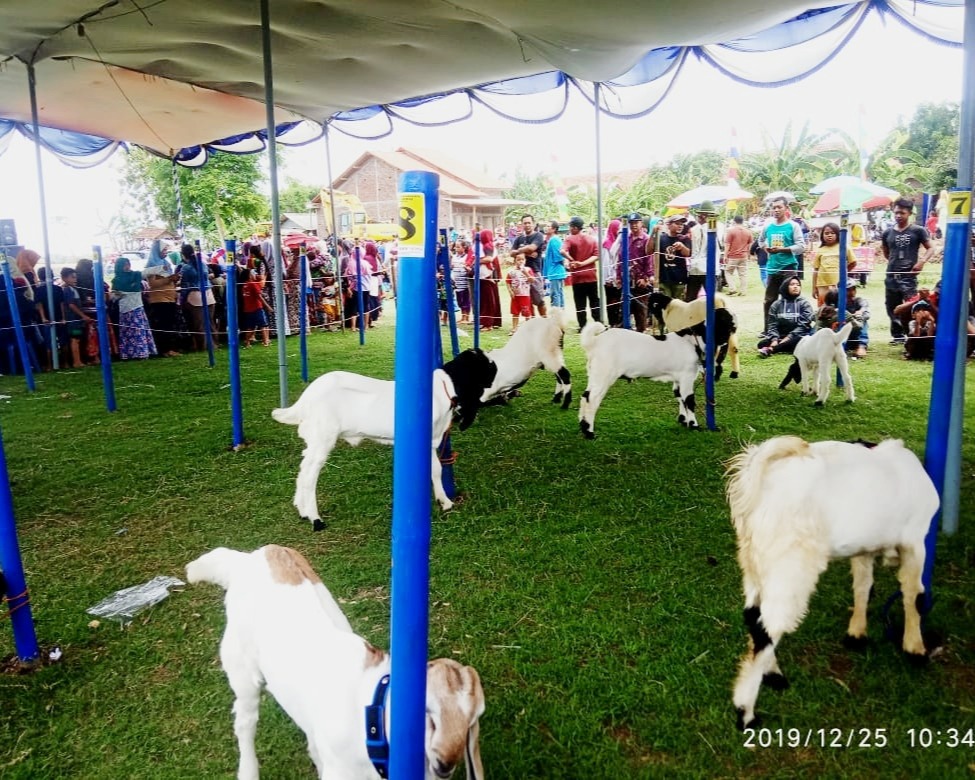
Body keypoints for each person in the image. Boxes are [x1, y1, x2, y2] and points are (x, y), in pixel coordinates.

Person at [882, 197, 934, 345]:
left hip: (909, 276)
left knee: (911, 305)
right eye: (896, 212)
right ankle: (897, 336)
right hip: (891, 275)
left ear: (909, 213)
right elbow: (886, 252)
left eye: (902, 213)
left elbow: (931, 247)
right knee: (891, 306)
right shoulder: (887, 233)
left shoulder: (918, 230)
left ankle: (913, 332)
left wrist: (921, 262)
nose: (898, 216)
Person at [760, 196, 806, 325]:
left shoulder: (793, 226)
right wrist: (766, 249)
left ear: (786, 208)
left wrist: (782, 249)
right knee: (769, 300)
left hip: (789, 267)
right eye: (774, 207)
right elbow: (761, 240)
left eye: (779, 207)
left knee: (790, 297)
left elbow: (801, 246)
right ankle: (768, 329)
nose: (776, 210)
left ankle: (792, 326)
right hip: (772, 267)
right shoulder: (768, 227)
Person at [111, 257, 156, 360]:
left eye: (128, 264)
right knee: (127, 332)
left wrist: (162, 268)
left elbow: (147, 272)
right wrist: (118, 294)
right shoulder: (116, 280)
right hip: (124, 309)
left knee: (138, 331)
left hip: (137, 307)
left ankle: (142, 353)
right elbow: (113, 297)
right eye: (124, 265)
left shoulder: (135, 275)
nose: (127, 267)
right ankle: (128, 354)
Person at [757, 275, 814, 357]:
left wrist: (788, 338)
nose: (795, 287)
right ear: (785, 287)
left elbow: (803, 326)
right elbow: (772, 325)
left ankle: (772, 349)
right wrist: (774, 339)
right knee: (761, 344)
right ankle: (780, 346)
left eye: (798, 285)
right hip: (780, 336)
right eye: (792, 284)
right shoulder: (776, 304)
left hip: (798, 336)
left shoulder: (804, 303)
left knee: (800, 341)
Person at [143, 240, 181, 357]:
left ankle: (171, 348)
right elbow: (153, 284)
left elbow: (170, 279)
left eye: (166, 250)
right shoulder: (152, 266)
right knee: (164, 325)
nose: (166, 252)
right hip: (159, 300)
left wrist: (175, 279)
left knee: (171, 323)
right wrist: (169, 279)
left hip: (170, 298)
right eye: (163, 250)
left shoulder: (166, 263)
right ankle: (165, 350)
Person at [562, 215, 600, 330]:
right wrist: (583, 263)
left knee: (580, 303)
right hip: (591, 275)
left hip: (577, 277)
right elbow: (596, 256)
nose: (569, 229)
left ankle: (582, 325)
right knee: (594, 301)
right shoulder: (591, 239)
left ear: (574, 227)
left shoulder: (570, 238)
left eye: (570, 226)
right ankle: (598, 322)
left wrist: (572, 260)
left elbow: (562, 251)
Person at [617, 212, 653, 331]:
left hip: (640, 280)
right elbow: (620, 258)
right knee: (624, 309)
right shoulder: (625, 239)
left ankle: (641, 335)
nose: (634, 225)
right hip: (627, 279)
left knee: (640, 312)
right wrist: (618, 276)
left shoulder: (646, 239)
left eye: (636, 223)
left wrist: (646, 278)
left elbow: (649, 259)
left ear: (641, 223)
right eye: (631, 223)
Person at [180, 243, 217, 352]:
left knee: (199, 324)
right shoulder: (203, 264)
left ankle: (202, 346)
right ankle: (214, 344)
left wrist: (183, 298)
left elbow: (185, 285)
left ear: (183, 254)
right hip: (209, 295)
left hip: (195, 296)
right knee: (211, 322)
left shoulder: (185, 268)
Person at [820, 278, 871, 358]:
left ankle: (861, 346)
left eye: (853, 288)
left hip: (854, 332)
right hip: (838, 334)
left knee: (863, 321)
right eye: (848, 290)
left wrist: (859, 314)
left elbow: (866, 313)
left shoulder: (859, 301)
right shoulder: (833, 301)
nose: (852, 292)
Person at [509, 214, 547, 317]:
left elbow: (532, 248)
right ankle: (531, 324)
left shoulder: (538, 235)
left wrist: (520, 251)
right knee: (527, 301)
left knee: (539, 300)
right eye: (525, 223)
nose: (527, 225)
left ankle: (545, 321)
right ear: (522, 225)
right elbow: (511, 253)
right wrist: (527, 252)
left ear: (533, 224)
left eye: (529, 223)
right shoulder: (519, 238)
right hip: (520, 274)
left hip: (534, 272)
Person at [811, 222, 857, 303]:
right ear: (822, 235)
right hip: (822, 284)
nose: (829, 235)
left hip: (838, 284)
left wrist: (844, 272)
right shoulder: (820, 250)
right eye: (826, 233)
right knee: (824, 307)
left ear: (838, 234)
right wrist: (814, 287)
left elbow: (853, 262)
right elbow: (815, 270)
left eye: (833, 233)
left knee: (838, 305)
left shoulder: (844, 247)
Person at [685, 201, 723, 302]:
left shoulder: (716, 227)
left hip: (708, 269)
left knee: (709, 300)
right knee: (693, 299)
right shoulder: (694, 229)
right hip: (697, 268)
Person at [59, 267, 93, 368]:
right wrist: (83, 316)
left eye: (75, 277)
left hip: (77, 320)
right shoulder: (67, 290)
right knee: (75, 339)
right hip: (73, 320)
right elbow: (71, 305)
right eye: (72, 277)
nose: (75, 279)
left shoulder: (73, 289)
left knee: (77, 338)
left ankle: (79, 360)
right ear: (64, 278)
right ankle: (76, 362)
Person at [655, 214, 690, 301]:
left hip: (679, 278)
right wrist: (653, 233)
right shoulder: (661, 238)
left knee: (679, 306)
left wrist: (682, 247)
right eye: (677, 223)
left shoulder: (684, 239)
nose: (680, 226)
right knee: (666, 305)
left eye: (682, 224)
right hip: (664, 278)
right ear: (669, 225)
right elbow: (649, 251)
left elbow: (688, 253)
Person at [477, 229, 502, 330]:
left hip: (488, 276)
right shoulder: (486, 246)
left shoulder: (489, 246)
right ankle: (493, 321)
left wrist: (477, 261)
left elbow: (489, 259)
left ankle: (488, 324)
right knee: (489, 299)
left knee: (488, 300)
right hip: (485, 276)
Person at [723, 215, 752, 296]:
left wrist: (725, 256)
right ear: (742, 221)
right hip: (744, 255)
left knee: (728, 272)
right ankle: (743, 291)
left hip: (733, 256)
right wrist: (749, 255)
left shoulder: (731, 231)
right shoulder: (748, 231)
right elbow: (750, 244)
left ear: (734, 221)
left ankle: (732, 289)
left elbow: (727, 244)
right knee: (743, 274)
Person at [505, 254, 534, 334]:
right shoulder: (511, 271)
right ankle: (514, 328)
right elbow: (508, 281)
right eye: (518, 260)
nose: (520, 261)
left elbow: (532, 280)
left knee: (526, 312)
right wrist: (510, 291)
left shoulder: (528, 269)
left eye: (522, 259)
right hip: (515, 296)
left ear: (525, 261)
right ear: (515, 261)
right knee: (515, 312)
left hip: (525, 295)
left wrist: (525, 272)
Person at [541, 220, 566, 309]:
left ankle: (557, 315)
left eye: (549, 226)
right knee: (558, 293)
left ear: (554, 229)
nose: (546, 227)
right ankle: (561, 314)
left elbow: (558, 256)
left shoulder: (554, 240)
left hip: (555, 271)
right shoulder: (552, 240)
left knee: (555, 294)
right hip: (555, 271)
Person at [601, 219, 622, 326]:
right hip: (610, 280)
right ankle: (612, 323)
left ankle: (619, 323)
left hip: (618, 278)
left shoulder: (620, 243)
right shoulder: (607, 244)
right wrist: (608, 278)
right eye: (618, 229)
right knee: (611, 302)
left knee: (619, 302)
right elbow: (606, 264)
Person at [450, 240, 472, 323]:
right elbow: (452, 266)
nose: (456, 248)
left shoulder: (466, 257)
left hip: (464, 281)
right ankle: (463, 317)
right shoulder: (454, 257)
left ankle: (467, 317)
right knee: (460, 300)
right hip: (457, 282)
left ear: (464, 247)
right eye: (455, 247)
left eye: (458, 247)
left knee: (466, 299)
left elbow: (468, 267)